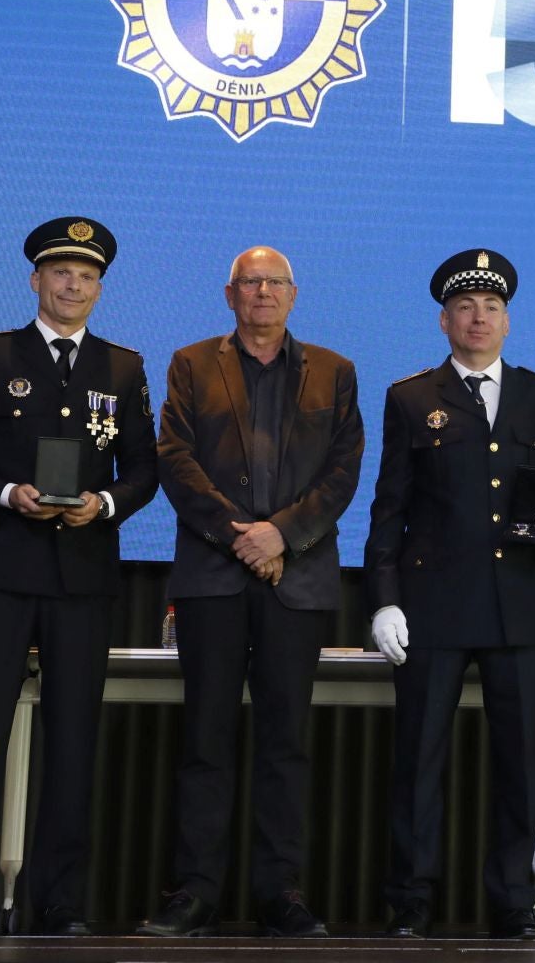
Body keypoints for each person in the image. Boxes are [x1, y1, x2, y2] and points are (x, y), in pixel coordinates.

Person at [0, 217, 158, 936]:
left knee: (74, 739)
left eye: (85, 275)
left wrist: (107, 503)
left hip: (82, 578)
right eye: (60, 271)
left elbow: (144, 468)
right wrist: (5, 494)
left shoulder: (122, 368)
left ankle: (62, 901)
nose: (72, 283)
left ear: (100, 287)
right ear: (36, 279)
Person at [137, 247, 364, 939]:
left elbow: (343, 470)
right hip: (212, 579)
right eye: (250, 283)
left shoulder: (334, 371)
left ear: (294, 295)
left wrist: (282, 538)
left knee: (285, 743)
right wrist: (242, 537)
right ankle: (196, 890)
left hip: (296, 583)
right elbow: (174, 459)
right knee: (205, 738)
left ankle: (280, 892)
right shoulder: (190, 364)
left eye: (275, 284)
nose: (262, 293)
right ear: (229, 294)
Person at [363, 249, 535, 939]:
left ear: (508, 322)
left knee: (521, 764)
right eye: (465, 307)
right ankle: (411, 898)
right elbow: (388, 505)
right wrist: (384, 597)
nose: (478, 317)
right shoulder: (411, 397)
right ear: (444, 320)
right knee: (418, 757)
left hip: (519, 602)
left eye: (490, 307)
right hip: (432, 602)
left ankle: (513, 897)